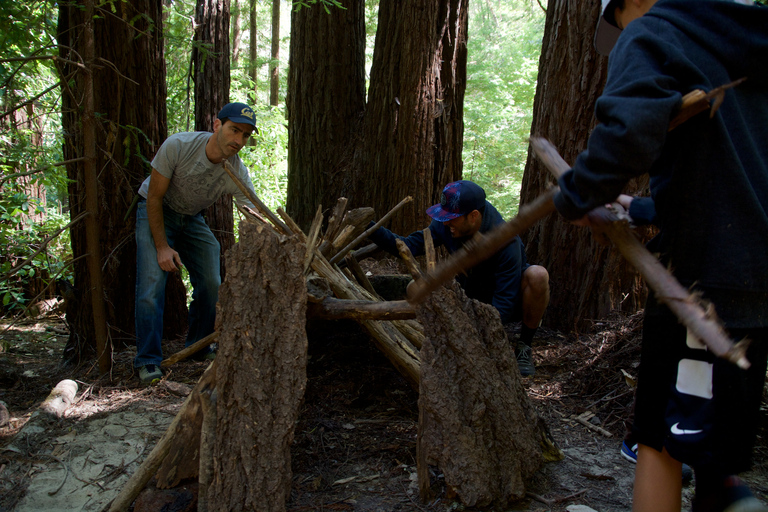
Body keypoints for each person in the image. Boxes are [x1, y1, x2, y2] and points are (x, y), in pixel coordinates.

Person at [554, 1, 768, 511]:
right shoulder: (743, 39)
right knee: (713, 445)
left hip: (700, 282)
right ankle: (725, 491)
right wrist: (641, 205)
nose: (621, 33)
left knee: (659, 439)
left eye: (617, 21)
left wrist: (577, 196)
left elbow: (627, 132)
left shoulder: (657, 31)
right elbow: (734, 169)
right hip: (753, 275)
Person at [134, 102, 261, 385]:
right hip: (156, 210)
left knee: (211, 281)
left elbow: (254, 212)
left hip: (191, 219)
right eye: (234, 130)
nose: (238, 140)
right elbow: (154, 198)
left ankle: (198, 346)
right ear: (217, 125)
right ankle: (147, 361)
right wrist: (162, 247)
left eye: (245, 135)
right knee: (151, 286)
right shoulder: (179, 146)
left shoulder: (235, 171)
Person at [368, 180, 550, 376]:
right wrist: (370, 229)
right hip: (467, 292)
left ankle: (524, 346)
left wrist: (468, 332)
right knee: (414, 286)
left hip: (507, 300)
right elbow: (409, 246)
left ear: (473, 216)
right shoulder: (445, 223)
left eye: (452, 218)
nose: (445, 223)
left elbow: (504, 304)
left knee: (538, 275)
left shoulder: (506, 242)